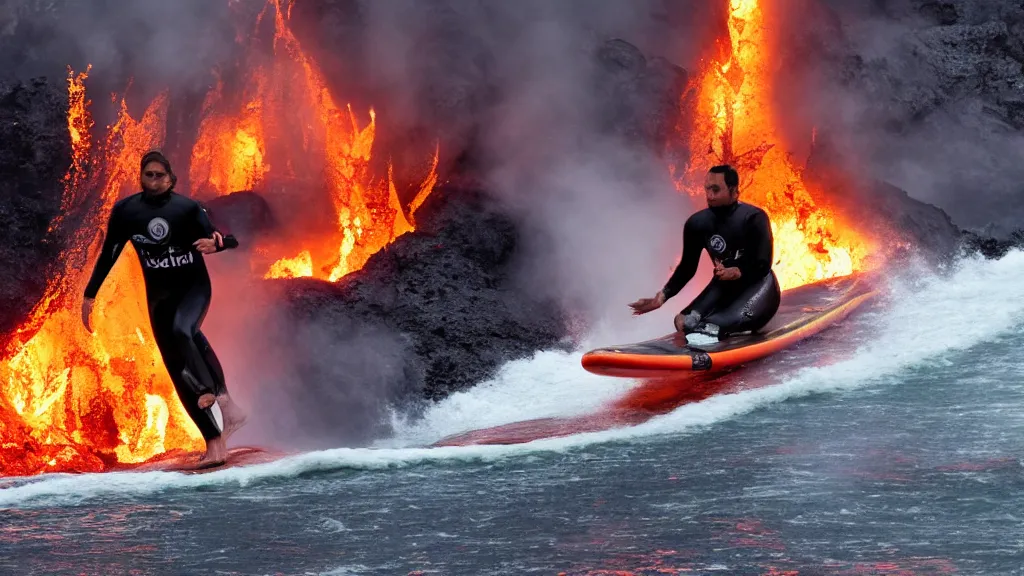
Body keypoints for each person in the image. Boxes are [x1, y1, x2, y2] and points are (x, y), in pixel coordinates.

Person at [81, 150, 247, 468]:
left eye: (160, 175)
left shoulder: (187, 209)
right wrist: (90, 296)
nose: (154, 180)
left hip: (193, 290)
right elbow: (109, 254)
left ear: (171, 179)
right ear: (141, 177)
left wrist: (220, 244)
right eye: (148, 175)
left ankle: (210, 392)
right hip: (158, 298)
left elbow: (226, 239)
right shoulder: (126, 212)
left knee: (181, 330)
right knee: (175, 365)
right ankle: (216, 442)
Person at [629, 164, 781, 339]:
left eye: (716, 190)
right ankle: (715, 332)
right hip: (722, 287)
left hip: (760, 286)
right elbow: (688, 266)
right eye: (707, 189)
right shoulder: (697, 223)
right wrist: (662, 297)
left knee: (713, 325)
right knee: (683, 321)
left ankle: (730, 330)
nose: (709, 195)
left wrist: (738, 271)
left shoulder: (754, 217)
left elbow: (763, 264)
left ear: (733, 191)